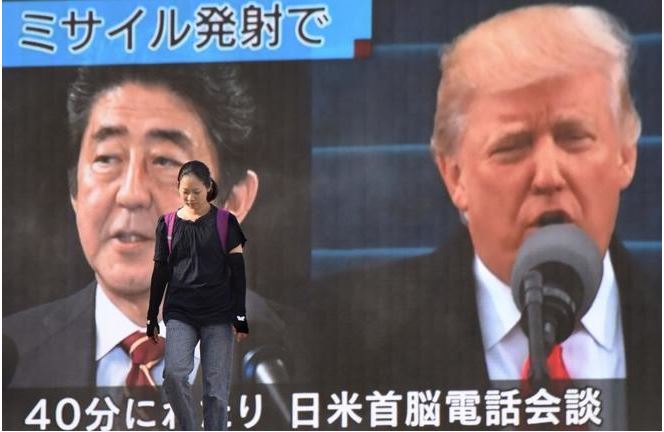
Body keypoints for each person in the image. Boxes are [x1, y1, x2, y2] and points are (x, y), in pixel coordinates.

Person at [310, 4, 660, 430]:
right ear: (454, 175)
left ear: (626, 155)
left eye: (574, 137)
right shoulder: (334, 336)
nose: (548, 176)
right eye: (512, 147)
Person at [3, 63, 288, 394]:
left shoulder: (305, 349)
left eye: (165, 161)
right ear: (74, 191)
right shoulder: (11, 351)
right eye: (107, 158)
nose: (131, 194)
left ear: (234, 201)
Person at [146, 160, 247, 430]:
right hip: (181, 312)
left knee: (216, 391)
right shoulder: (167, 225)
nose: (190, 197)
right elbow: (160, 273)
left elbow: (238, 271)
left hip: (219, 313)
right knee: (174, 376)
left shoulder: (225, 222)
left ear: (209, 187)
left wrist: (240, 315)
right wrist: (151, 316)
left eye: (196, 192)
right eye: (185, 191)